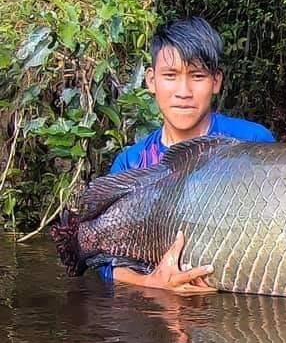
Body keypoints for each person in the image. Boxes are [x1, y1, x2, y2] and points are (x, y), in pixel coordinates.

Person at [100, 17, 275, 291]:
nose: (184, 92)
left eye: (197, 76)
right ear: (151, 80)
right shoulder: (132, 163)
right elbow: (106, 262)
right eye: (170, 76)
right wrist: (152, 283)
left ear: (216, 82)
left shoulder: (254, 142)